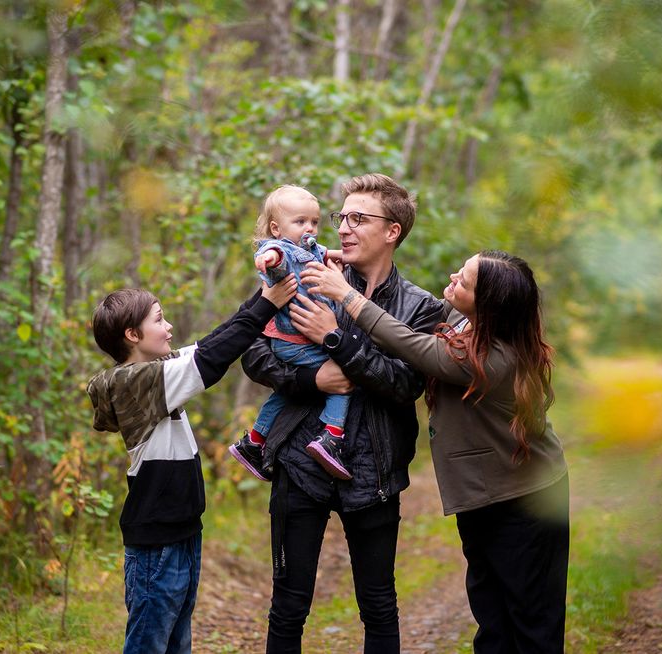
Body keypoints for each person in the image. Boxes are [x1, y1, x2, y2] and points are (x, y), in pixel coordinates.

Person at [302, 249, 570, 653]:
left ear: (489, 306)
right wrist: (359, 262)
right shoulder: (468, 321)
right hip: (485, 495)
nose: (452, 279)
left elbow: (408, 342)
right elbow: (406, 306)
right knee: (491, 612)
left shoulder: (492, 358)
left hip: (525, 499)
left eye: (463, 281)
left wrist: (346, 297)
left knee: (532, 619)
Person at [241, 173, 444, 653]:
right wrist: (311, 379)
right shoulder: (308, 270)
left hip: (373, 472)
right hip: (300, 464)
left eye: (358, 218)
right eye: (341, 217)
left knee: (378, 605)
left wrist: (336, 338)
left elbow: (404, 384)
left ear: (392, 231)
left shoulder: (418, 307)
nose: (343, 228)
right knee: (288, 605)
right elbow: (254, 349)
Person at [86, 276, 297, 654]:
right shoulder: (138, 382)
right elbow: (213, 360)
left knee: (177, 641)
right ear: (133, 334)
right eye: (159, 319)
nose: (168, 328)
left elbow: (216, 340)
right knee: (150, 643)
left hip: (181, 532)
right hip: (157, 542)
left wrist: (269, 290)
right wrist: (267, 304)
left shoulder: (159, 369)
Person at [229, 185, 353, 482]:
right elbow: (273, 257)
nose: (309, 228)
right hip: (296, 341)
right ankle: (332, 436)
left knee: (282, 394)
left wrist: (350, 259)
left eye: (314, 221)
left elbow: (325, 252)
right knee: (343, 377)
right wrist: (268, 259)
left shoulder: (308, 249)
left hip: (292, 342)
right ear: (276, 228)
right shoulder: (281, 249)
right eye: (300, 222)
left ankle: (254, 442)